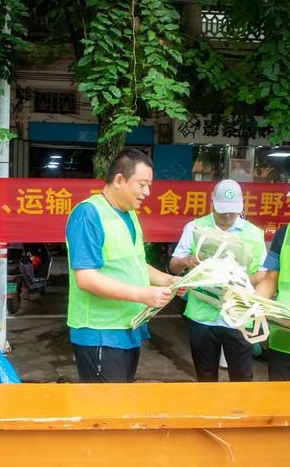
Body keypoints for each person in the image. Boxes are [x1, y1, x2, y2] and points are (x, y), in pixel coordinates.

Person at [66, 149, 181, 383]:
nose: (147, 192)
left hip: (127, 329)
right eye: (142, 184)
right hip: (100, 333)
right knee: (105, 413)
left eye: (149, 185)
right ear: (119, 180)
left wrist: (170, 281)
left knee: (121, 407)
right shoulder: (88, 214)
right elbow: (86, 278)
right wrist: (142, 295)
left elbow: (136, 264)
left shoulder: (129, 215)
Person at [169, 179, 266, 382]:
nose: (228, 215)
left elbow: (264, 275)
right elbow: (173, 266)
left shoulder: (254, 234)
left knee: (242, 378)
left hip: (238, 316)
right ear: (212, 201)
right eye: (223, 209)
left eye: (233, 210)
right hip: (202, 315)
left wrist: (241, 279)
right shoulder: (194, 227)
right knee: (205, 378)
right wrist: (188, 261)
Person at [255, 219, 290, 380]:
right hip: (282, 336)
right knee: (279, 400)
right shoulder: (283, 234)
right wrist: (252, 305)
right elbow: (270, 279)